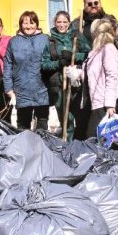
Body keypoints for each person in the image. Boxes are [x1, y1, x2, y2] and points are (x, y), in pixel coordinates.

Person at [41, 11, 90, 139]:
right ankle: (67, 143)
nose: (61, 25)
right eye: (59, 22)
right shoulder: (50, 40)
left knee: (79, 116)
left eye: (64, 22)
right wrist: (59, 63)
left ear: (69, 23)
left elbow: (88, 54)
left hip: (76, 82)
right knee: (65, 116)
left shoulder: (76, 36)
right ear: (54, 23)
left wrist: (72, 56)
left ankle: (80, 143)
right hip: (58, 84)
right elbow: (44, 64)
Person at [83, 18, 118, 138]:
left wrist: (110, 104)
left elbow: (112, 76)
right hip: (99, 98)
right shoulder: (95, 52)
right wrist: (77, 73)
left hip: (106, 100)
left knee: (96, 136)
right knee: (100, 138)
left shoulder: (108, 49)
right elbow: (95, 73)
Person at [4, 11, 51, 131]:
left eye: (32, 22)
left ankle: (42, 149)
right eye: (25, 23)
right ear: (20, 24)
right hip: (21, 90)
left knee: (42, 124)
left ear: (37, 24)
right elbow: (8, 65)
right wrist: (8, 88)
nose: (29, 26)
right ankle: (25, 149)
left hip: (42, 89)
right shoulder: (14, 41)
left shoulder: (45, 39)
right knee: (23, 126)